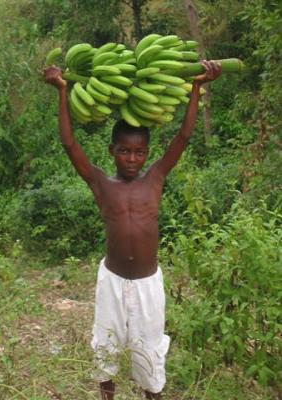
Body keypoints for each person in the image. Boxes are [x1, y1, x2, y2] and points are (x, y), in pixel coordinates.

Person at [44, 60, 222, 399]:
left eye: (139, 152)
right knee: (106, 346)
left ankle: (151, 394)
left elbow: (184, 136)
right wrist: (63, 92)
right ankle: (106, 394)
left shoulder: (154, 179)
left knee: (149, 350)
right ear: (112, 151)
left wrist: (197, 88)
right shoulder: (101, 183)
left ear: (147, 154)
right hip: (112, 281)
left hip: (147, 285)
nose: (131, 158)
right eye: (123, 151)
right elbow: (69, 144)